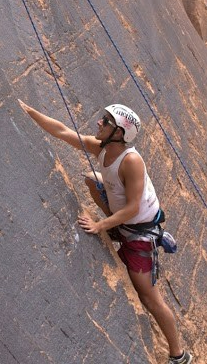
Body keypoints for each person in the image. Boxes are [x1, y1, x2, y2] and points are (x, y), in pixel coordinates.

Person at [18, 100, 192, 364]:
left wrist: (100, 225)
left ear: (119, 133)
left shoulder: (131, 161)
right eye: (103, 118)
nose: (99, 122)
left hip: (139, 230)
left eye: (106, 121)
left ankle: (179, 356)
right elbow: (64, 132)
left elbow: (133, 207)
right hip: (125, 217)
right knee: (92, 179)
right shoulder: (101, 147)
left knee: (148, 296)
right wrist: (29, 112)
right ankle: (115, 228)